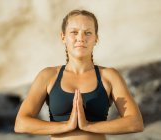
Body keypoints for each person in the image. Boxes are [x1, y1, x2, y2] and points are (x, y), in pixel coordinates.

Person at [14, 9, 144, 140]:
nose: (81, 38)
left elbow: (135, 122)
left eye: (88, 33)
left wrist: (89, 126)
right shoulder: (48, 75)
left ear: (96, 38)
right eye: (74, 32)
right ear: (63, 37)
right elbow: (21, 123)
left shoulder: (109, 76)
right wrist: (66, 126)